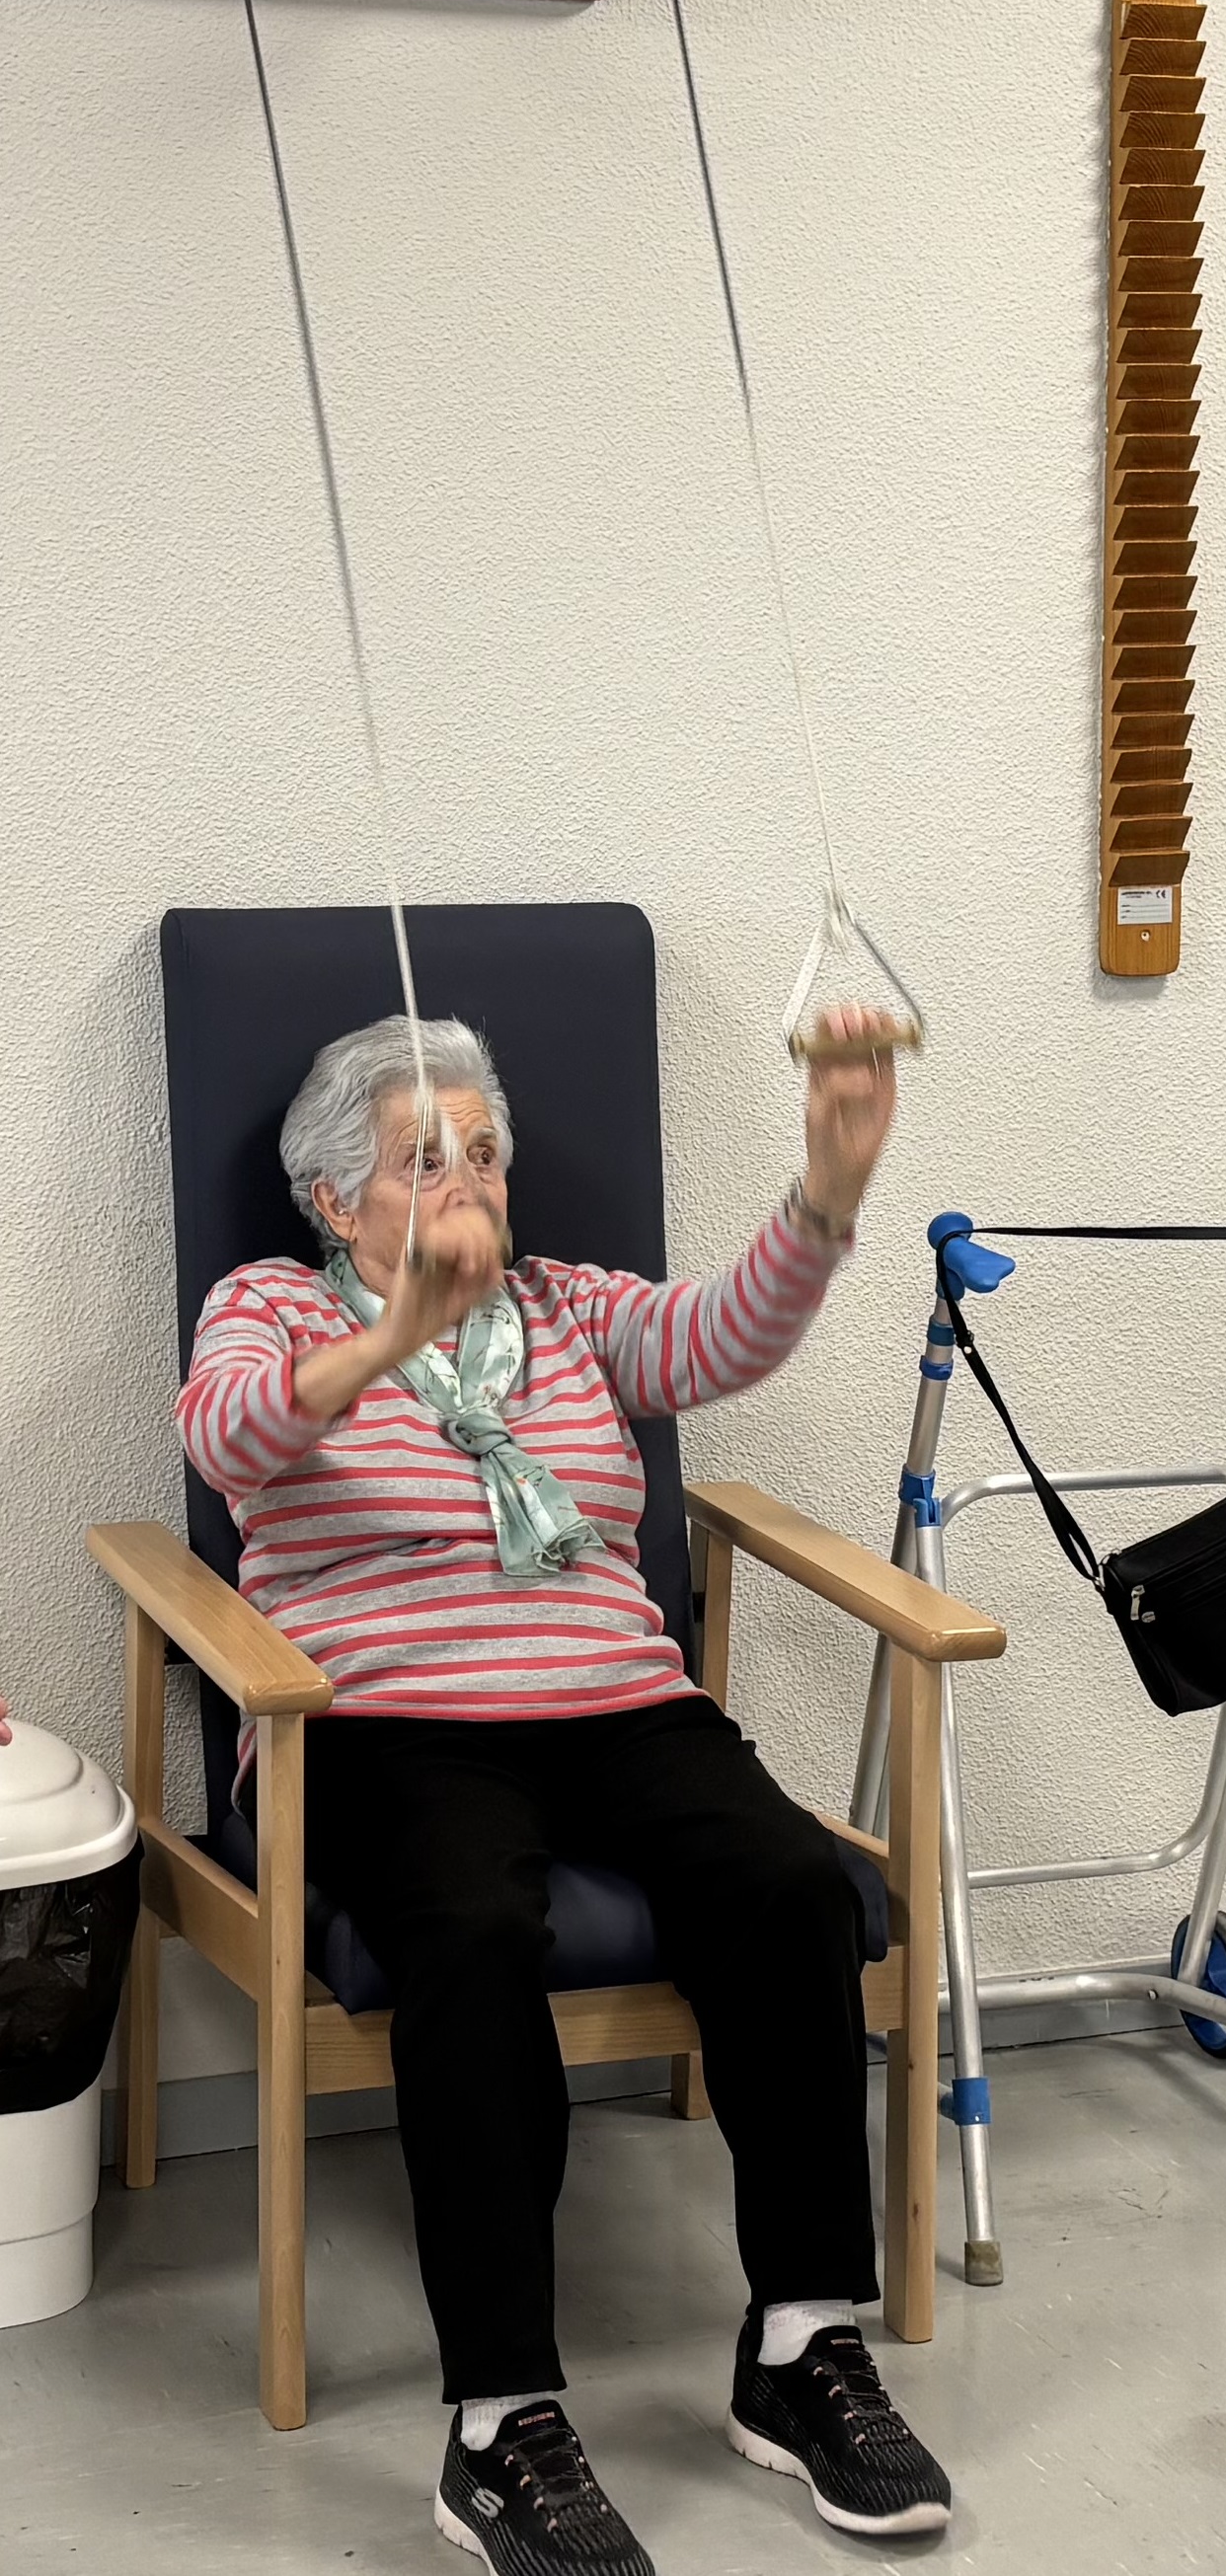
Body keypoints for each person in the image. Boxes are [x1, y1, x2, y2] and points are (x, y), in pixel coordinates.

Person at [180, 1009, 954, 2576]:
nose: (468, 1178)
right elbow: (227, 1438)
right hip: (390, 1718)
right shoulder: (268, 1305)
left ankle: (799, 2338)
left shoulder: (568, 1304)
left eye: (483, 1150)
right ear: (334, 1199)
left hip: (617, 1699)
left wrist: (826, 1189)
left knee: (793, 1883)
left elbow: (719, 1337)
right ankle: (499, 2423)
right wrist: (394, 1335)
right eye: (423, 1156)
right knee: (470, 1929)